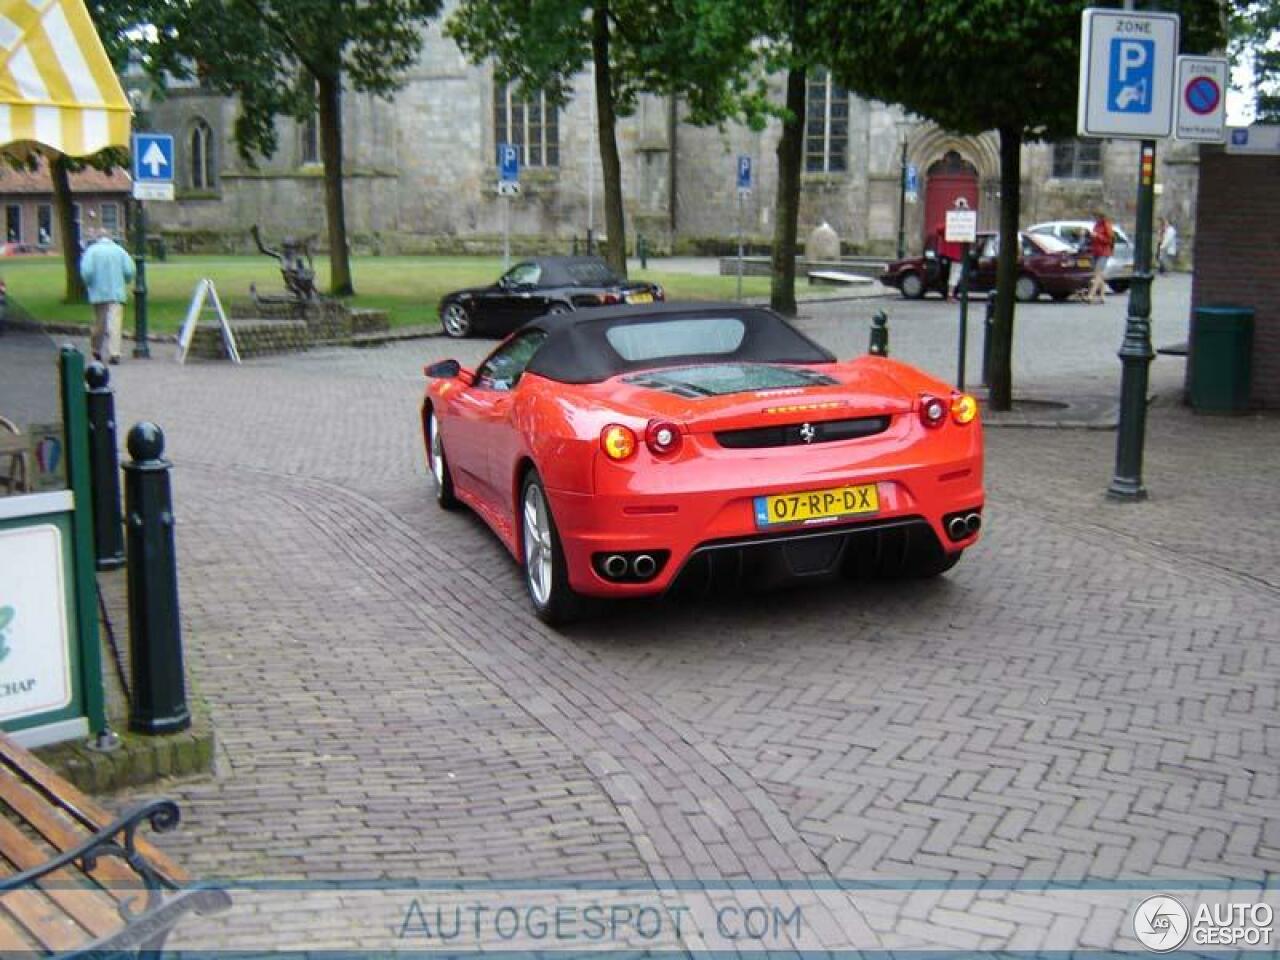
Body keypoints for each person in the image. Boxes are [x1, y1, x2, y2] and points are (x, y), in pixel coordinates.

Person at [79, 229, 136, 364]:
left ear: (98, 238)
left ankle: (96, 349)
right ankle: (114, 352)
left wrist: (89, 284)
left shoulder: (91, 251)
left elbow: (86, 272)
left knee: (100, 323)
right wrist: (125, 280)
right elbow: (129, 270)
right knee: (115, 323)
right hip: (116, 292)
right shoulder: (119, 251)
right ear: (111, 238)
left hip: (98, 293)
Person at [1086, 211, 1114, 304]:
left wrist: (1097, 236)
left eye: (1096, 216)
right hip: (1096, 251)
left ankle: (1091, 295)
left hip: (1104, 252)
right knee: (1099, 274)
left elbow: (1109, 239)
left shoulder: (1106, 225)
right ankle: (1102, 296)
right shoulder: (1096, 225)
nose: (1095, 218)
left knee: (1097, 273)